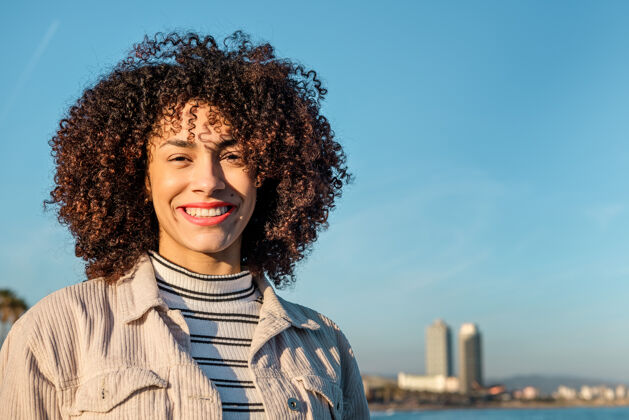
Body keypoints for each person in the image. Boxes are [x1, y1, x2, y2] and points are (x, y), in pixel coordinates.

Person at [0, 32, 369, 419]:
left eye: (233, 155)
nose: (208, 181)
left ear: (267, 173)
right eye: (179, 157)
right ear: (143, 179)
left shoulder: (328, 345)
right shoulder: (55, 330)